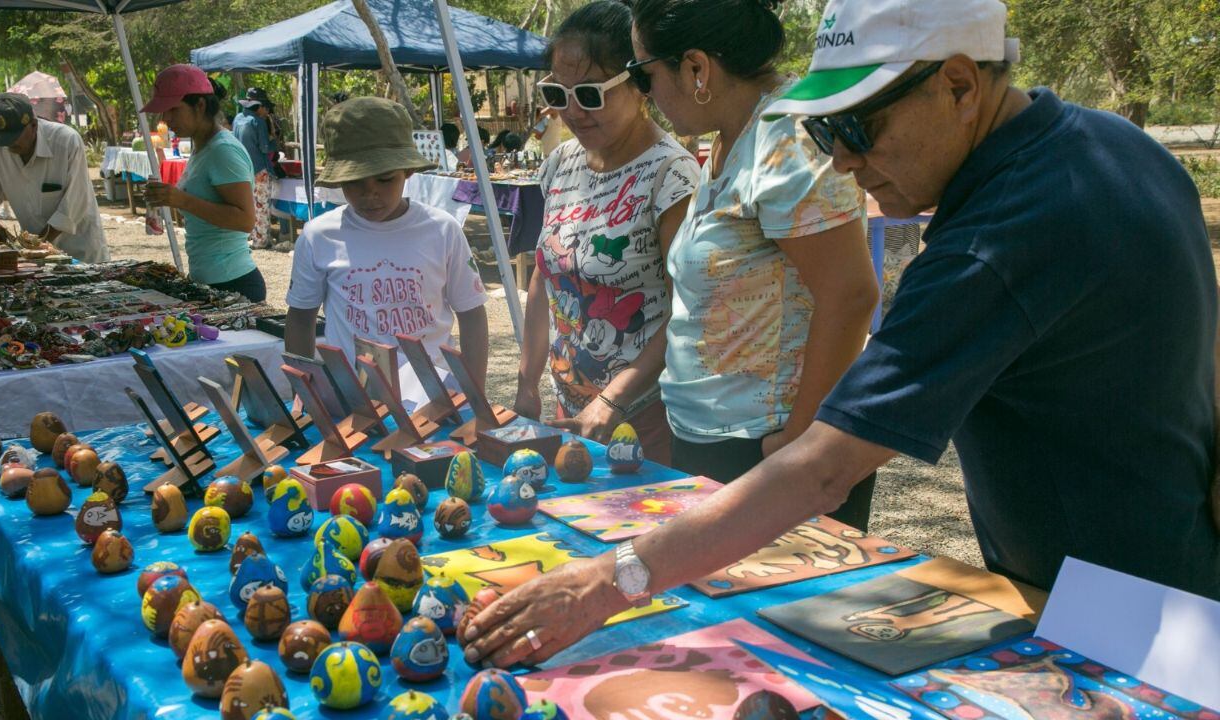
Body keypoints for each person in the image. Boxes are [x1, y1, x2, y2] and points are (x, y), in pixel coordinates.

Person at [462, 0, 1220, 668]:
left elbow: (828, 468)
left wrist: (609, 579)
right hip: (1143, 572)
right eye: (827, 131)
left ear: (959, 84)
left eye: (859, 126)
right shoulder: (1116, 148)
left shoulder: (1001, 238)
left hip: (1119, 604)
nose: (847, 162)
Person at [632, 0, 879, 528]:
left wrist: (799, 443)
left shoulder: (786, 137)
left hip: (769, 447)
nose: (644, 95)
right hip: (723, 439)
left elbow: (851, 293)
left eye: (643, 74)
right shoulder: (735, 137)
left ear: (696, 68)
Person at [513, 0, 698, 463]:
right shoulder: (561, 162)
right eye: (557, 94)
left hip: (644, 416)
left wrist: (613, 399)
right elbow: (543, 276)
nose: (573, 112)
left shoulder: (671, 176)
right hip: (572, 407)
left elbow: (687, 310)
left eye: (591, 94)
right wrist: (527, 381)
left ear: (639, 85)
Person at [284, 97, 490, 408]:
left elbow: (472, 314)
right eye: (354, 183)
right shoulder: (319, 236)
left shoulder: (442, 230)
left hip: (433, 399)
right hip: (352, 399)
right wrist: (303, 390)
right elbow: (301, 319)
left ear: (407, 171)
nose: (370, 194)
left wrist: (475, 394)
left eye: (384, 180)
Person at [142, 65, 264, 302]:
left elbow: (245, 220)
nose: (165, 119)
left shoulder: (223, 150)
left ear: (199, 106)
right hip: (211, 279)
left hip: (232, 282)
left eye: (172, 110)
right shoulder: (202, 147)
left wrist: (180, 199)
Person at [0, 93, 109, 263]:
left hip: (80, 250)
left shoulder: (66, 141)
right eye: (2, 139)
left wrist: (38, 243)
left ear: (34, 125)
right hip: (34, 255)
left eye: (13, 138)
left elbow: (75, 201)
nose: (7, 145)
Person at [232, 86, 280, 250]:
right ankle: (261, 241)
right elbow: (265, 148)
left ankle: (251, 236)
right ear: (260, 107)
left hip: (242, 169)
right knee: (261, 206)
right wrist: (274, 139)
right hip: (259, 169)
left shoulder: (238, 119)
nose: (266, 111)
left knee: (248, 204)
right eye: (265, 107)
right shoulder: (257, 121)